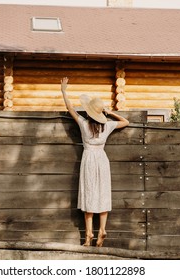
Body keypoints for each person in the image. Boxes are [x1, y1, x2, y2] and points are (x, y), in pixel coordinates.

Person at [60, 77, 129, 247]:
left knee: (89, 194)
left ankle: (89, 235)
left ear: (90, 112)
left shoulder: (84, 124)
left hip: (89, 159)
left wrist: (63, 91)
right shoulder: (107, 126)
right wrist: (109, 112)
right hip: (102, 160)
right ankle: (102, 230)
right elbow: (125, 122)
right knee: (103, 194)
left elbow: (70, 109)